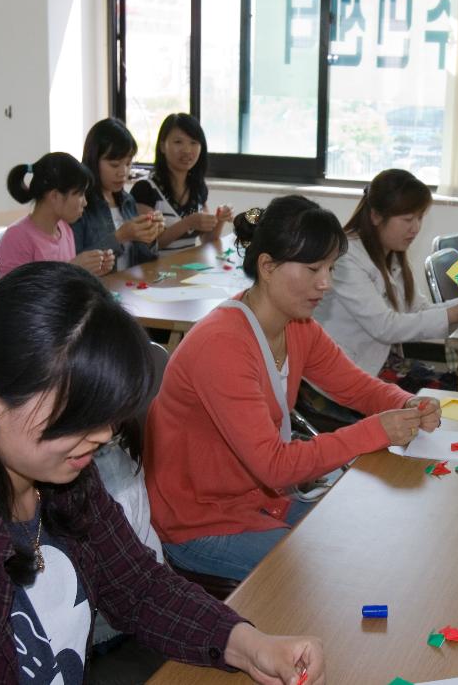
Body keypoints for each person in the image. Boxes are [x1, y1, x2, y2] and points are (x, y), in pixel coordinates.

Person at [0, 263, 324, 683]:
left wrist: (247, 644)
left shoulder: (57, 474)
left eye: (109, 415)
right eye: (82, 417)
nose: (104, 435)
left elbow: (138, 587)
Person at [144, 195, 438, 581]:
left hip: (259, 504)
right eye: (314, 268)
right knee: (336, 573)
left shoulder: (297, 327)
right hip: (200, 525)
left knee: (374, 540)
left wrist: (409, 401)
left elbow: (356, 387)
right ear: (267, 266)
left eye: (330, 268)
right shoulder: (222, 346)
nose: (326, 283)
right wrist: (377, 430)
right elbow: (275, 467)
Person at [316, 169, 458, 392]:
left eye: (420, 218)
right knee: (455, 398)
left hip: (380, 365)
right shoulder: (346, 258)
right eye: (408, 219)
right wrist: (457, 312)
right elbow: (385, 327)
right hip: (345, 375)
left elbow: (417, 309)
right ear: (375, 216)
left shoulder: (390, 253)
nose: (415, 228)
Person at [0, 152, 113, 278]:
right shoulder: (17, 238)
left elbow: (68, 288)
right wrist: (72, 269)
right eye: (79, 194)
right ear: (55, 196)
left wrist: (90, 273)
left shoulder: (65, 229)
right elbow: (17, 295)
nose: (85, 202)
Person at [131, 113, 232, 253]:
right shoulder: (145, 189)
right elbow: (149, 243)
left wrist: (220, 219)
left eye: (193, 142)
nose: (187, 150)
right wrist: (188, 223)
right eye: (178, 142)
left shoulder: (198, 189)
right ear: (162, 146)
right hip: (154, 272)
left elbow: (207, 240)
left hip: (187, 270)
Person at [72, 119, 163, 272]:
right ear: (94, 160)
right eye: (114, 165)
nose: (123, 172)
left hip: (128, 287)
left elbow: (142, 259)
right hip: (99, 290)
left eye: (128, 164)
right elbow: (76, 262)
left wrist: (151, 235)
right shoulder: (80, 205)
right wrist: (120, 237)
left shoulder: (127, 200)